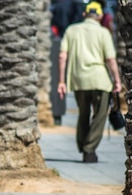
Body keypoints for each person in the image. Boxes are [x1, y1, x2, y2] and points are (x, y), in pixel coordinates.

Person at [57, 1, 122, 163]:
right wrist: (117, 81)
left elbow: (62, 56)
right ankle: (89, 149)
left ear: (84, 14)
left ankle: (83, 145)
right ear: (100, 16)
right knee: (99, 116)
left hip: (79, 81)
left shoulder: (71, 30)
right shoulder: (103, 32)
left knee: (83, 114)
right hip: (100, 80)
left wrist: (61, 81)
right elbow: (110, 59)